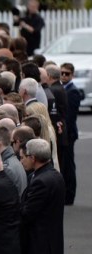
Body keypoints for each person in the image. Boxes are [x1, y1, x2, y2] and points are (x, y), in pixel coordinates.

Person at [60, 62, 82, 205]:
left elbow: (70, 116)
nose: (63, 76)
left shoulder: (73, 91)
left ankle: (70, 195)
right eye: (61, 73)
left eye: (66, 73)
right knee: (64, 164)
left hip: (69, 133)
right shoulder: (63, 89)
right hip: (65, 132)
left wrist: (65, 132)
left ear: (72, 75)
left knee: (68, 165)